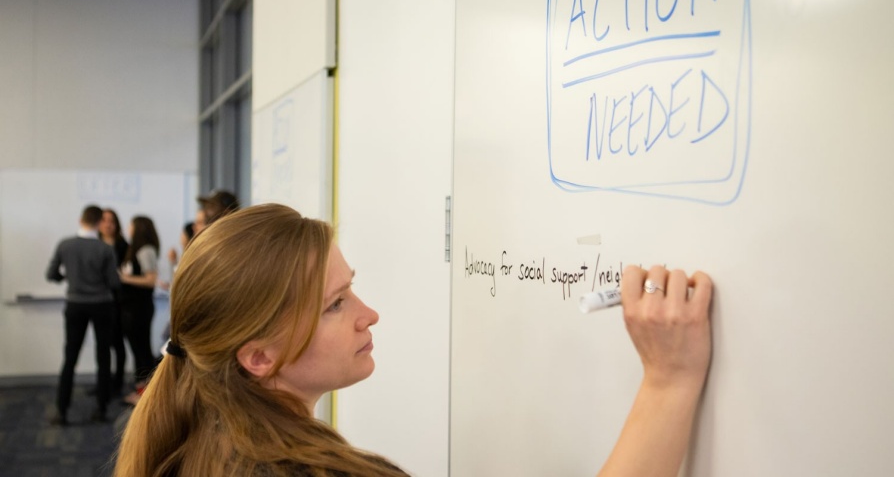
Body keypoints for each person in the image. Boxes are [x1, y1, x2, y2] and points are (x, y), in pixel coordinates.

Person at [115, 204, 713, 477]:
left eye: (352, 289)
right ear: (260, 357)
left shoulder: (191, 449)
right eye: (335, 305)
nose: (368, 315)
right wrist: (669, 381)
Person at [46, 205, 120, 425]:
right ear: (99, 223)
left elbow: (51, 274)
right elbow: (114, 282)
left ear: (81, 220)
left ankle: (61, 409)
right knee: (103, 355)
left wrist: (68, 280)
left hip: (75, 303)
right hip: (101, 304)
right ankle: (101, 407)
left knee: (70, 356)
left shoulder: (65, 245)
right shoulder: (104, 249)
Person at [119, 216, 161, 404]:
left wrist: (124, 279)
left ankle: (147, 393)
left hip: (140, 307)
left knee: (141, 350)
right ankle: (142, 390)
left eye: (131, 225)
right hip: (131, 306)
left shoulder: (146, 250)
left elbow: (150, 280)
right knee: (138, 350)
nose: (128, 228)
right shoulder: (134, 249)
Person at [99, 208, 130, 395]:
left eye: (111, 221)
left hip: (118, 301)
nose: (108, 224)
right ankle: (103, 382)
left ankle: (117, 382)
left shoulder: (123, 245)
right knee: (102, 344)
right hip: (99, 300)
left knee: (118, 343)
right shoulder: (94, 243)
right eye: (104, 220)